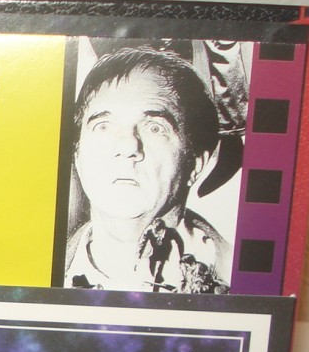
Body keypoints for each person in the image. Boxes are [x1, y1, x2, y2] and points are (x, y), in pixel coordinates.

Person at [64, 47, 232, 292]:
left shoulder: (243, 281)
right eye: (103, 126)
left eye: (154, 128)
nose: (127, 146)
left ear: (196, 164)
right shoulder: (34, 273)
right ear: (77, 155)